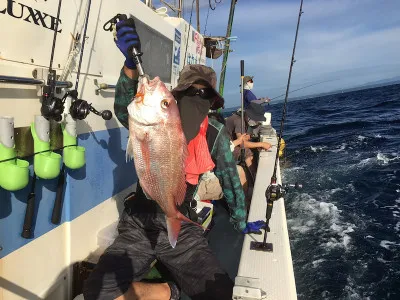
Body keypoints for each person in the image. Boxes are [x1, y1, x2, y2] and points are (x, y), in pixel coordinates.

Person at [83, 16, 267, 300]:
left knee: (220, 293)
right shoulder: (155, 117)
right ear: (178, 94)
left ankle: (177, 288)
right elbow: (124, 108)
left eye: (203, 94)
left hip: (182, 224)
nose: (197, 98)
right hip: (138, 224)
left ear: (212, 102)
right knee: (98, 290)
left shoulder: (215, 132)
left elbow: (230, 179)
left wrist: (241, 221)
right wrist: (130, 68)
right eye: (192, 91)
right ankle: (172, 290)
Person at [225, 102, 272, 178]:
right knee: (247, 152)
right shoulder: (239, 121)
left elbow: (246, 137)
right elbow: (242, 144)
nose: (257, 121)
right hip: (226, 148)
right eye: (256, 119)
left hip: (233, 143)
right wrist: (261, 144)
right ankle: (253, 178)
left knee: (253, 149)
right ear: (249, 116)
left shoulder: (244, 119)